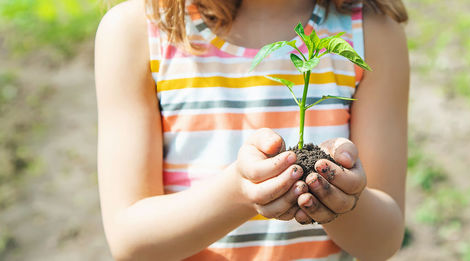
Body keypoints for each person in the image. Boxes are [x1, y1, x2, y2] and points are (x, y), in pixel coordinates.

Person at [94, 0, 409, 259]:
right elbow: (130, 241)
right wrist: (240, 192)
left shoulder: (372, 31)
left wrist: (341, 195)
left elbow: (382, 242)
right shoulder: (135, 31)